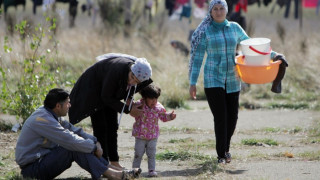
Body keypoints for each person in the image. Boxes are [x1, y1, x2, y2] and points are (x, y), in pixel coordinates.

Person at [188, 0, 287, 164]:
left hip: (233, 78)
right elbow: (197, 59)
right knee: (221, 117)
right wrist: (192, 82)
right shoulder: (205, 31)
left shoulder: (234, 27)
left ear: (226, 10)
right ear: (210, 12)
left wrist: (274, 55)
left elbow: (252, 46)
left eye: (221, 9)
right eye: (215, 9)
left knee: (232, 118)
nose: (219, 12)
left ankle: (226, 149)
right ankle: (221, 155)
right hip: (213, 79)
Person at [15, 88, 141, 180]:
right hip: (33, 170)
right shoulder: (43, 120)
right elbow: (70, 140)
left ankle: (112, 170)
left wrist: (95, 141)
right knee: (73, 147)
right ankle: (113, 174)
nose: (70, 105)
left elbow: (74, 130)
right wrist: (92, 147)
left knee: (79, 143)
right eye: (67, 103)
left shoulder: (50, 114)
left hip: (42, 162)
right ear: (58, 106)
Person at [68, 53, 153, 170]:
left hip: (108, 93)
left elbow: (130, 88)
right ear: (131, 70)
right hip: (93, 91)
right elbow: (105, 97)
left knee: (112, 127)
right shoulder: (116, 70)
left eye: (137, 81)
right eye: (132, 77)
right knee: (101, 127)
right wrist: (128, 110)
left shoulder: (135, 75)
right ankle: (102, 164)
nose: (133, 81)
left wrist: (129, 100)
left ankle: (114, 161)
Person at [131, 84, 176, 177]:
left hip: (153, 135)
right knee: (138, 153)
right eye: (151, 99)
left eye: (156, 99)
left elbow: (163, 116)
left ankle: (151, 170)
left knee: (151, 153)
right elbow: (132, 112)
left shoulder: (158, 107)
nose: (154, 101)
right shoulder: (139, 104)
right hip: (140, 135)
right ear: (144, 97)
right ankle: (134, 170)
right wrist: (131, 104)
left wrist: (170, 117)